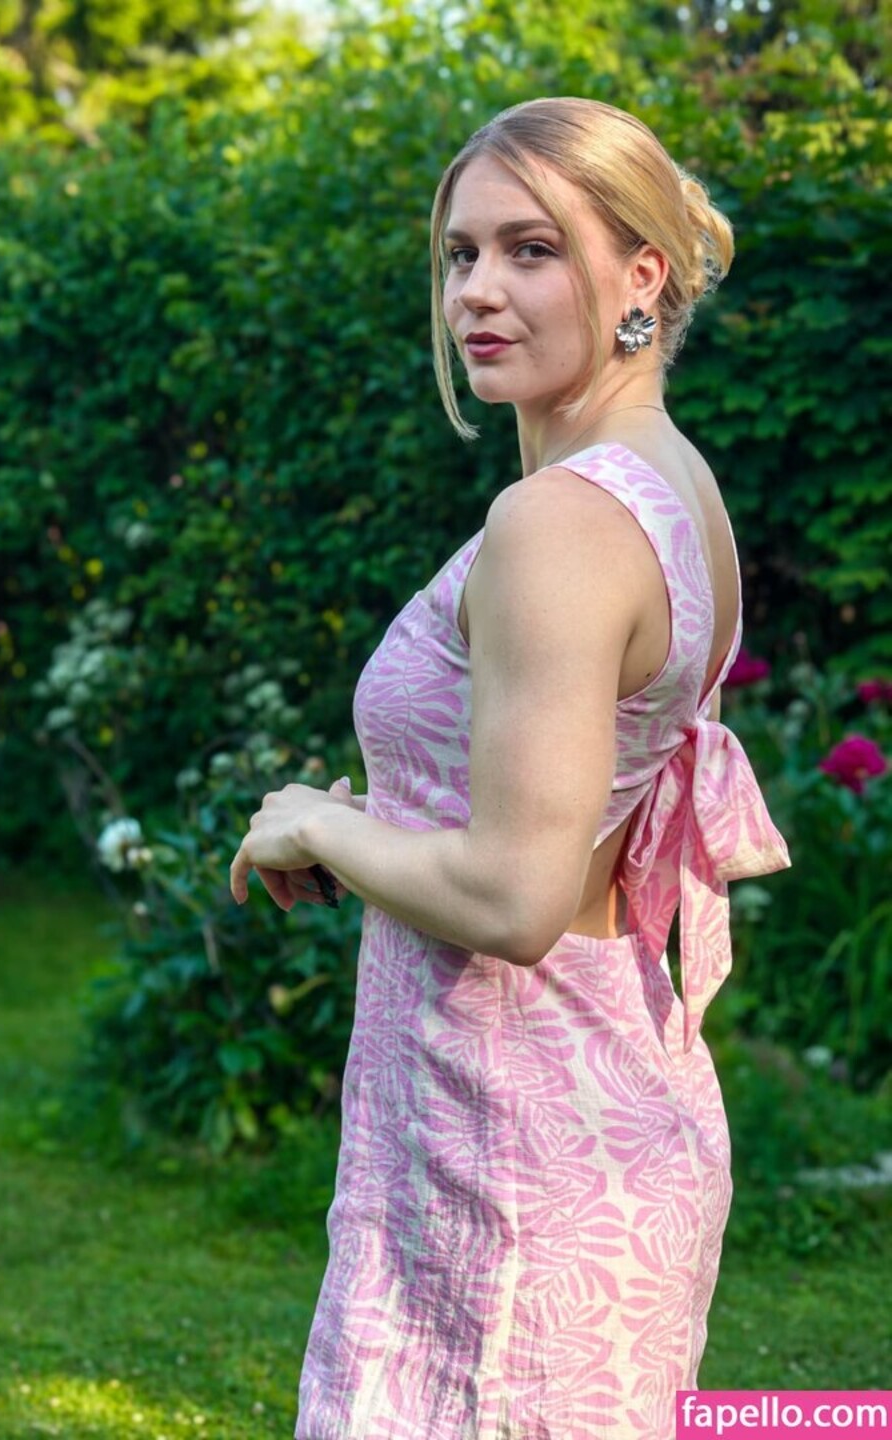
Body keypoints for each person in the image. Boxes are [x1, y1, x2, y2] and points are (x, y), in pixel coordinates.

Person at [230, 96, 790, 1440]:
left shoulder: (559, 522)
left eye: (531, 250)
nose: (477, 291)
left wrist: (315, 821)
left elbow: (516, 896)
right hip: (583, 1119)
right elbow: (572, 824)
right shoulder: (676, 487)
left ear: (640, 275)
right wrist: (381, 837)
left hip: (513, 1157)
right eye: (460, 254)